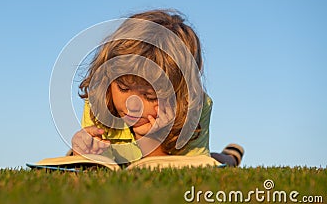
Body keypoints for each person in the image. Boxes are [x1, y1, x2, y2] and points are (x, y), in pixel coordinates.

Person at [71, 9, 244, 166]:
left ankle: (231, 156)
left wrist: (151, 139)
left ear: (178, 93)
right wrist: (85, 150)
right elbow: (101, 163)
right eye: (123, 88)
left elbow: (187, 167)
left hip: (179, 155)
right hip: (118, 154)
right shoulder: (101, 97)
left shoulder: (196, 106)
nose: (132, 105)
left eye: (149, 96)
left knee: (216, 162)